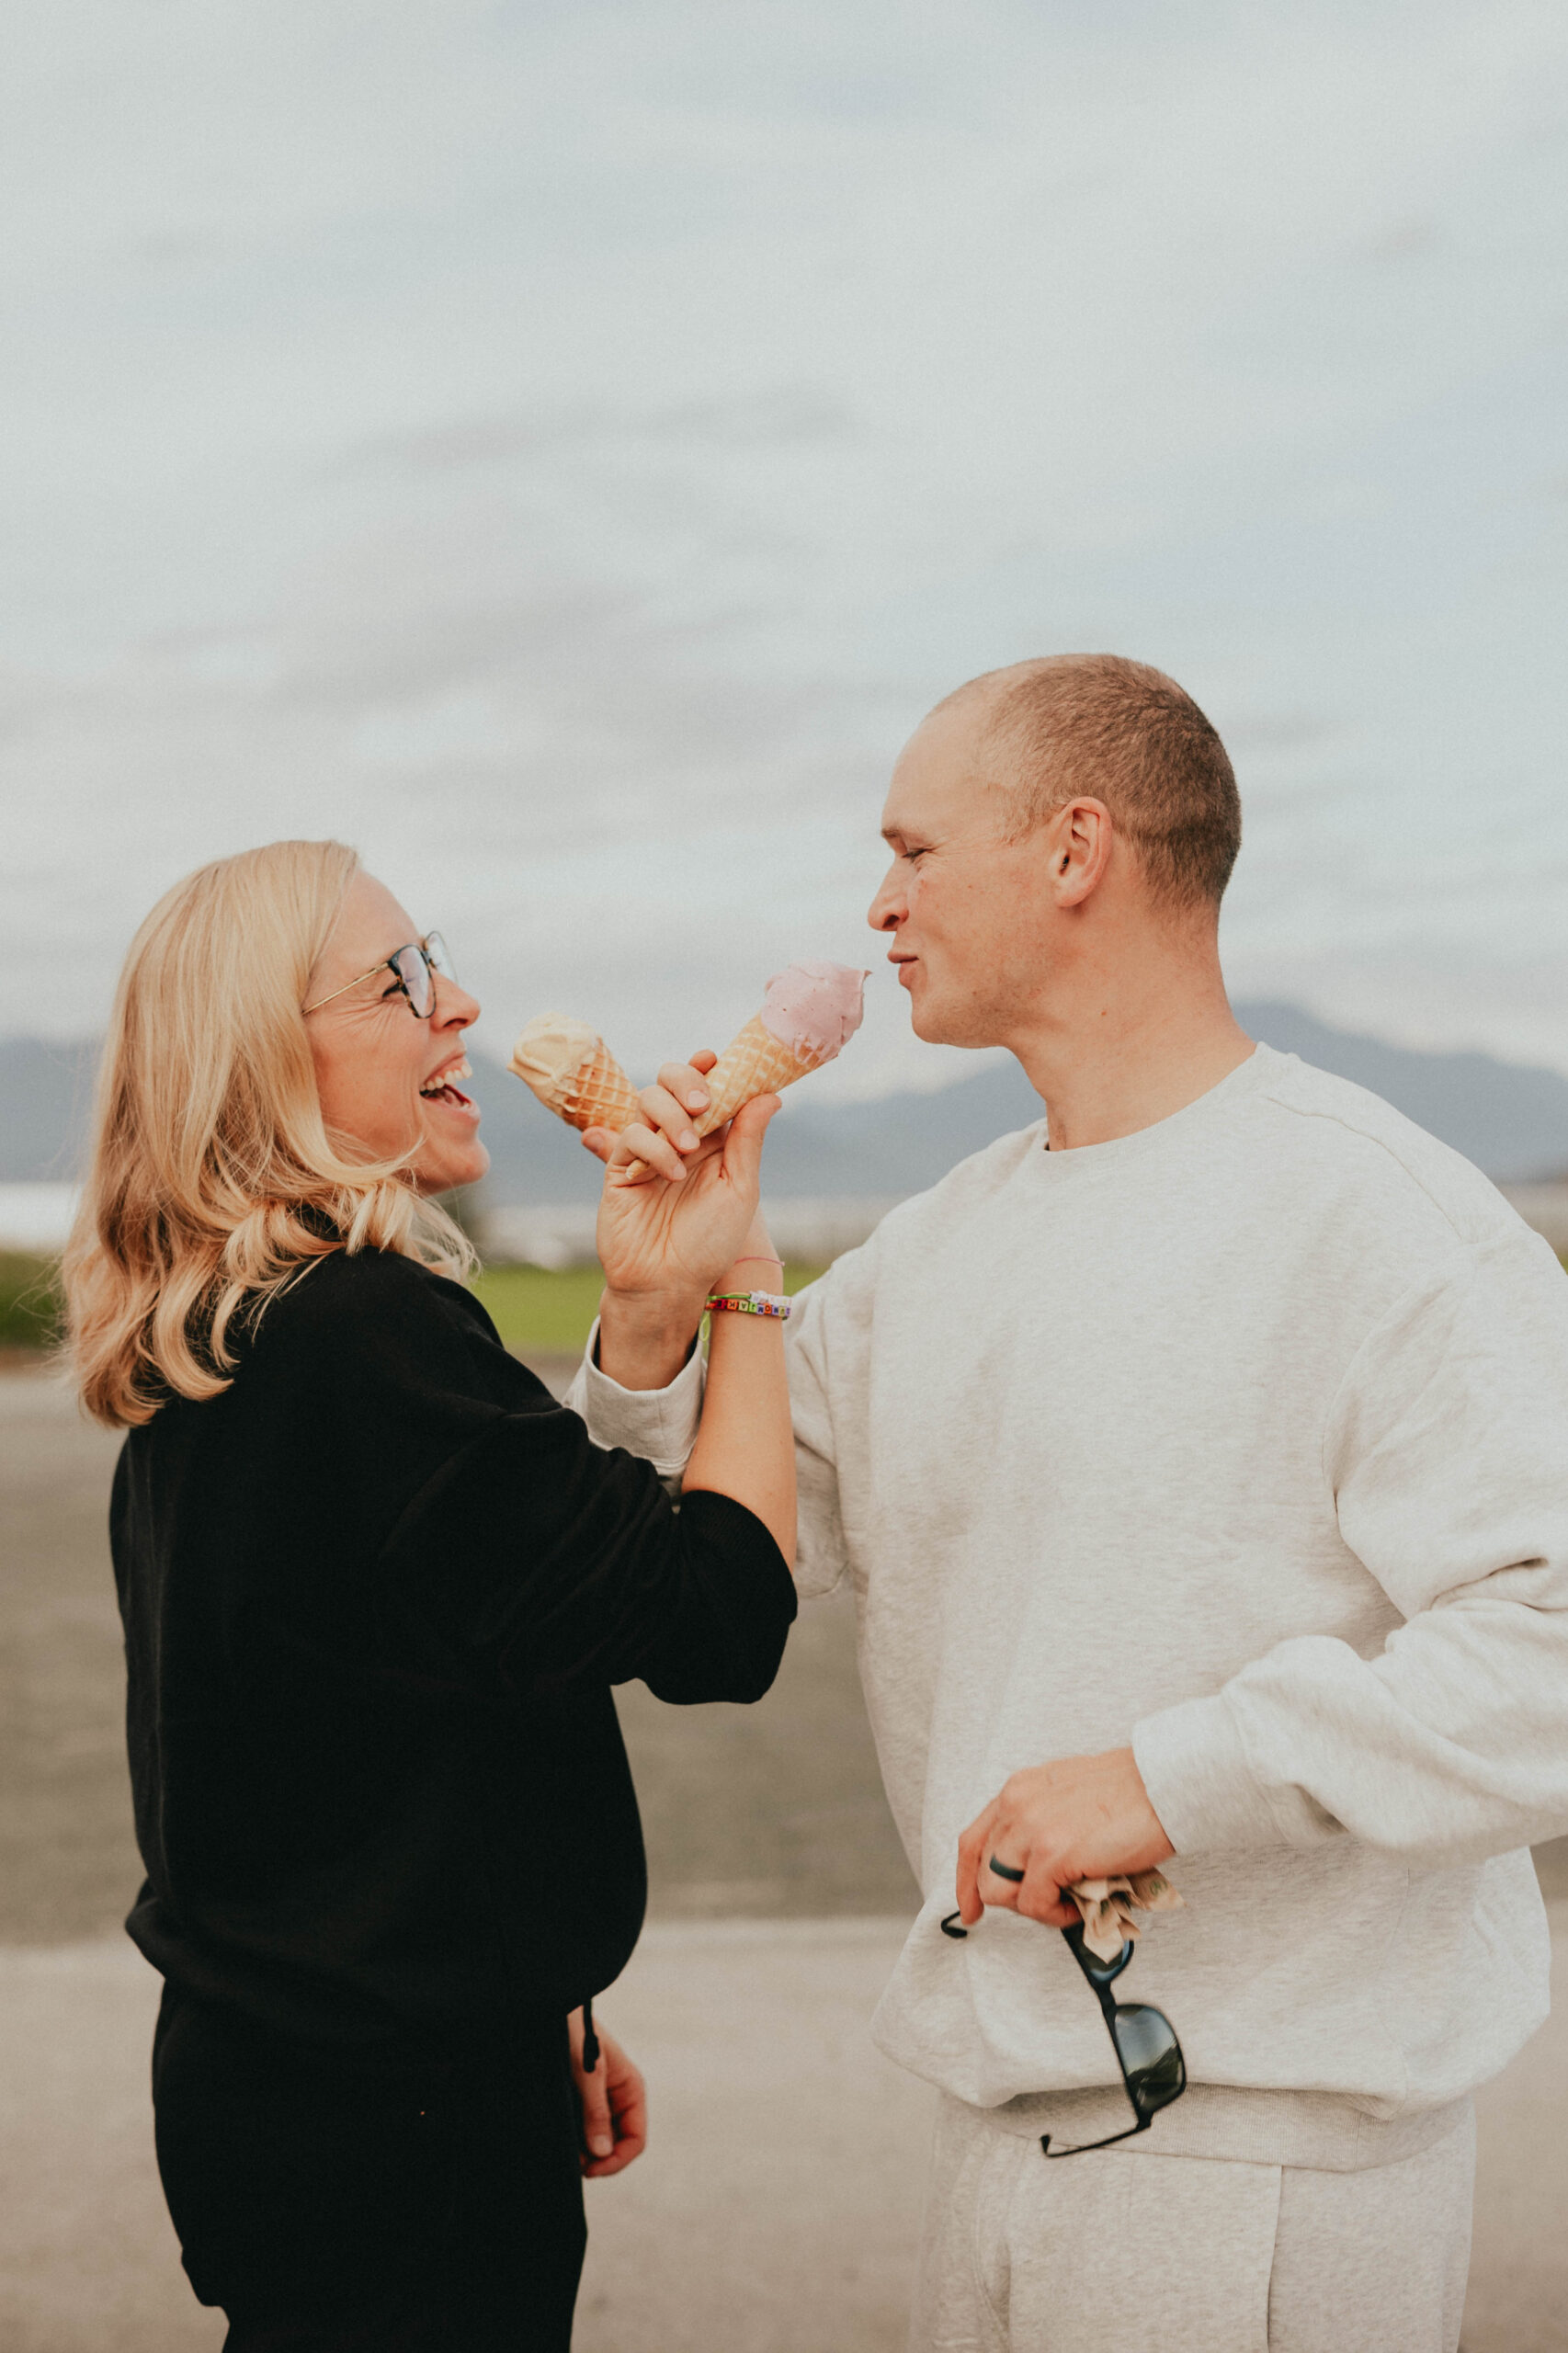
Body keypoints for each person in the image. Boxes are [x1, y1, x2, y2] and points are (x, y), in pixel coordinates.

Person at [575, 654, 1568, 2353]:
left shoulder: (1378, 1213)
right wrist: (668, 1310)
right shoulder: (938, 1245)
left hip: (1266, 2160)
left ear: (1072, 850)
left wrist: (1173, 1778)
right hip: (999, 2129)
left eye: (911, 850)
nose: (876, 906)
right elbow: (696, 1557)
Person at [62, 838, 798, 2353]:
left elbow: (497, 1629)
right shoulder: (369, 1332)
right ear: (267, 1057)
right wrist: (747, 1282)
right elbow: (715, 1621)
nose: (457, 1001)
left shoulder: (242, 1336)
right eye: (400, 978)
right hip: (394, 2119)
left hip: (307, 2075)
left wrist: (542, 2006)